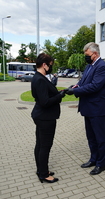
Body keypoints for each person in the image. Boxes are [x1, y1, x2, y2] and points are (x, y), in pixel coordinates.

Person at [65, 42, 105, 175]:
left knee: (100, 138)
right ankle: (94, 158)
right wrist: (74, 87)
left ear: (95, 54)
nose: (86, 57)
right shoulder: (90, 66)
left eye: (87, 55)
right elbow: (83, 82)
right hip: (88, 108)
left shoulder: (102, 66)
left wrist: (75, 92)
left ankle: (101, 164)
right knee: (91, 136)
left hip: (98, 108)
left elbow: (95, 86)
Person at [31, 53, 66, 183]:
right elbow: (45, 102)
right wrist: (60, 95)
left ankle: (41, 169)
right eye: (50, 65)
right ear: (44, 65)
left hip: (42, 116)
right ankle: (43, 174)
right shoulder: (39, 79)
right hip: (45, 117)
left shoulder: (39, 77)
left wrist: (58, 93)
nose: (51, 67)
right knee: (44, 145)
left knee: (40, 144)